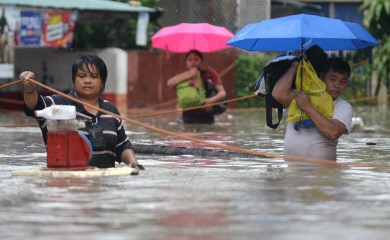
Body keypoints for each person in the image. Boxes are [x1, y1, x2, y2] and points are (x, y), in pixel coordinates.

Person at [20, 54, 144, 169]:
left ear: (102, 82)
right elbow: (33, 106)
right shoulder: (56, 104)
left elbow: (122, 146)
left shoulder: (111, 110)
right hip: (66, 184)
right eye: (82, 76)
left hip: (104, 185)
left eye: (94, 76)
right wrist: (29, 89)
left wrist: (133, 163)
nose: (87, 81)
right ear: (74, 80)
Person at [272, 57, 353, 160]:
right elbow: (278, 94)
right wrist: (295, 65)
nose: (337, 85)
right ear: (321, 77)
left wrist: (308, 107)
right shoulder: (303, 94)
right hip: (292, 170)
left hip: (324, 172)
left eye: (342, 81)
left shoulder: (344, 107)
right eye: (332, 79)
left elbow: (333, 133)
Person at [167, 49, 227, 124]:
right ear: (186, 62)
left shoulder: (209, 73)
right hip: (187, 116)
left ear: (201, 61)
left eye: (196, 59)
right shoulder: (182, 76)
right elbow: (170, 84)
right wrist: (190, 75)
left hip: (206, 115)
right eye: (190, 60)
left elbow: (222, 93)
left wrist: (210, 100)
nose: (193, 62)